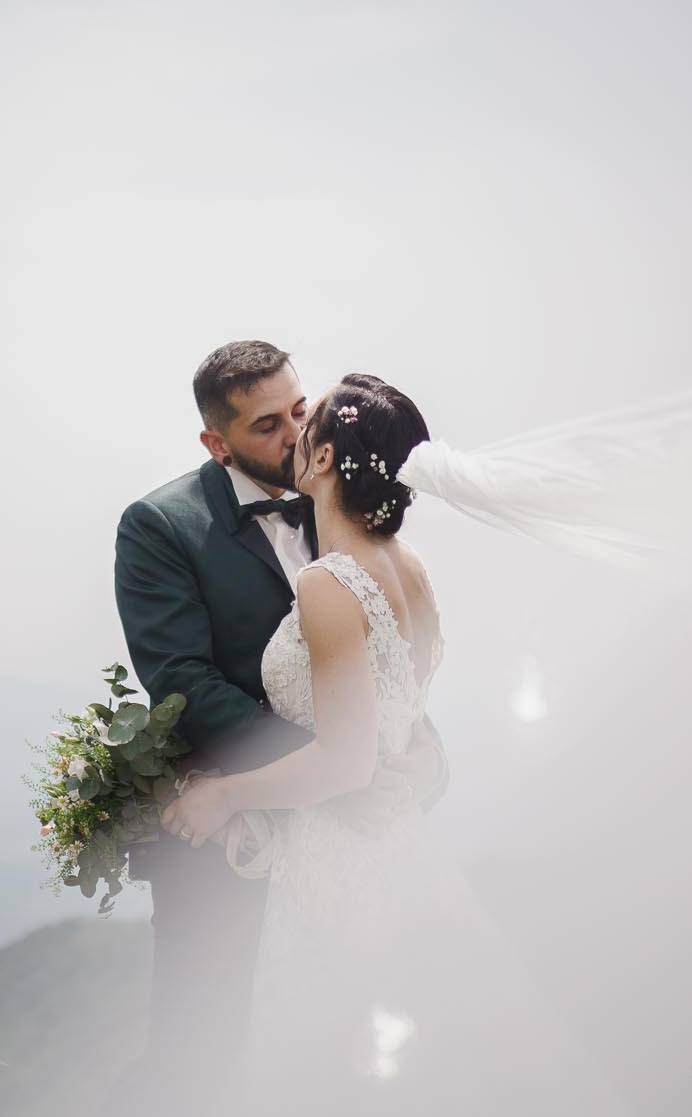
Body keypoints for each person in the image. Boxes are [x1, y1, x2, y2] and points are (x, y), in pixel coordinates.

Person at [113, 343, 448, 1116]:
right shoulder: (161, 525)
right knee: (198, 1059)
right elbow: (183, 684)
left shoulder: (344, 512)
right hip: (233, 863)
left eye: (300, 410)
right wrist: (340, 772)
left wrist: (413, 757)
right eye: (267, 424)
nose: (294, 433)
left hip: (352, 848)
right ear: (215, 442)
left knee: (349, 1054)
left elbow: (385, 661)